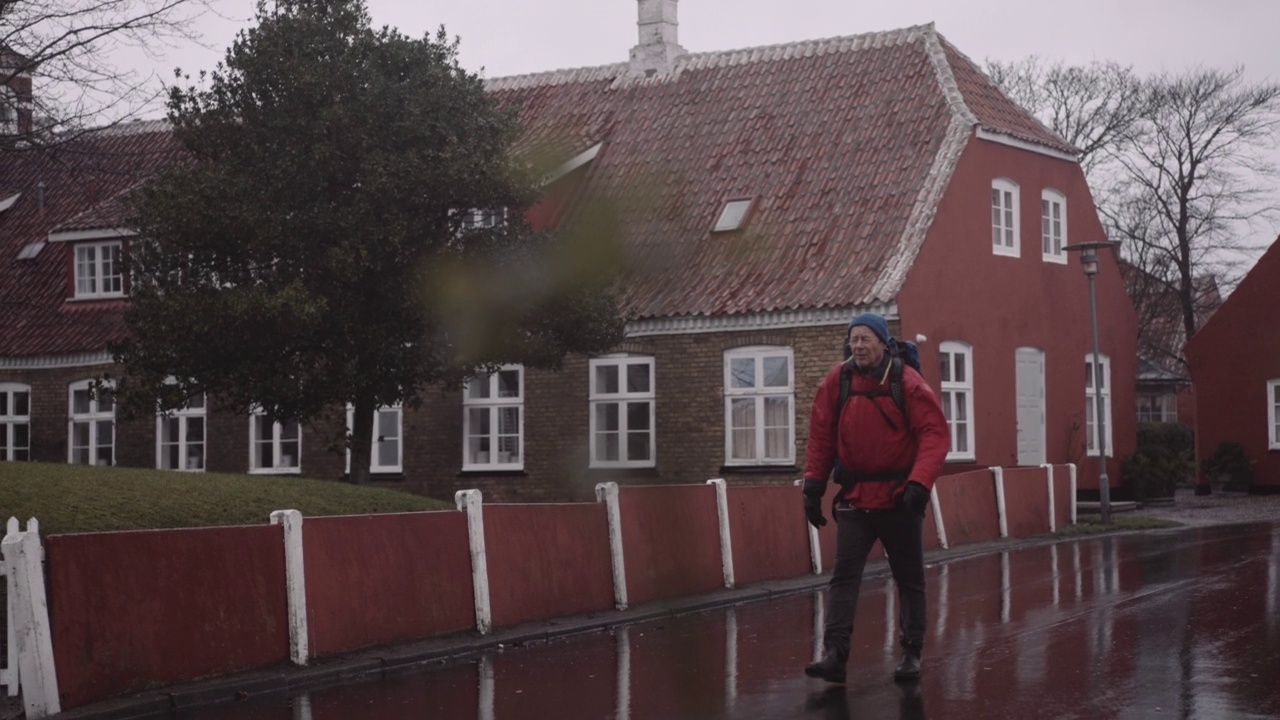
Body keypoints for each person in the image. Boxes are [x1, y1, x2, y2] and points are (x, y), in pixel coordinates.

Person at [801, 312, 950, 684]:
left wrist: (919, 483)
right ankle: (835, 654)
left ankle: (911, 652)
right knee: (844, 577)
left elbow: (934, 433)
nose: (859, 346)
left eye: (866, 339)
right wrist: (814, 485)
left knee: (909, 578)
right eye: (854, 339)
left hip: (900, 497)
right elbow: (821, 432)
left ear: (884, 343)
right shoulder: (840, 380)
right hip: (855, 497)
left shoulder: (907, 382)